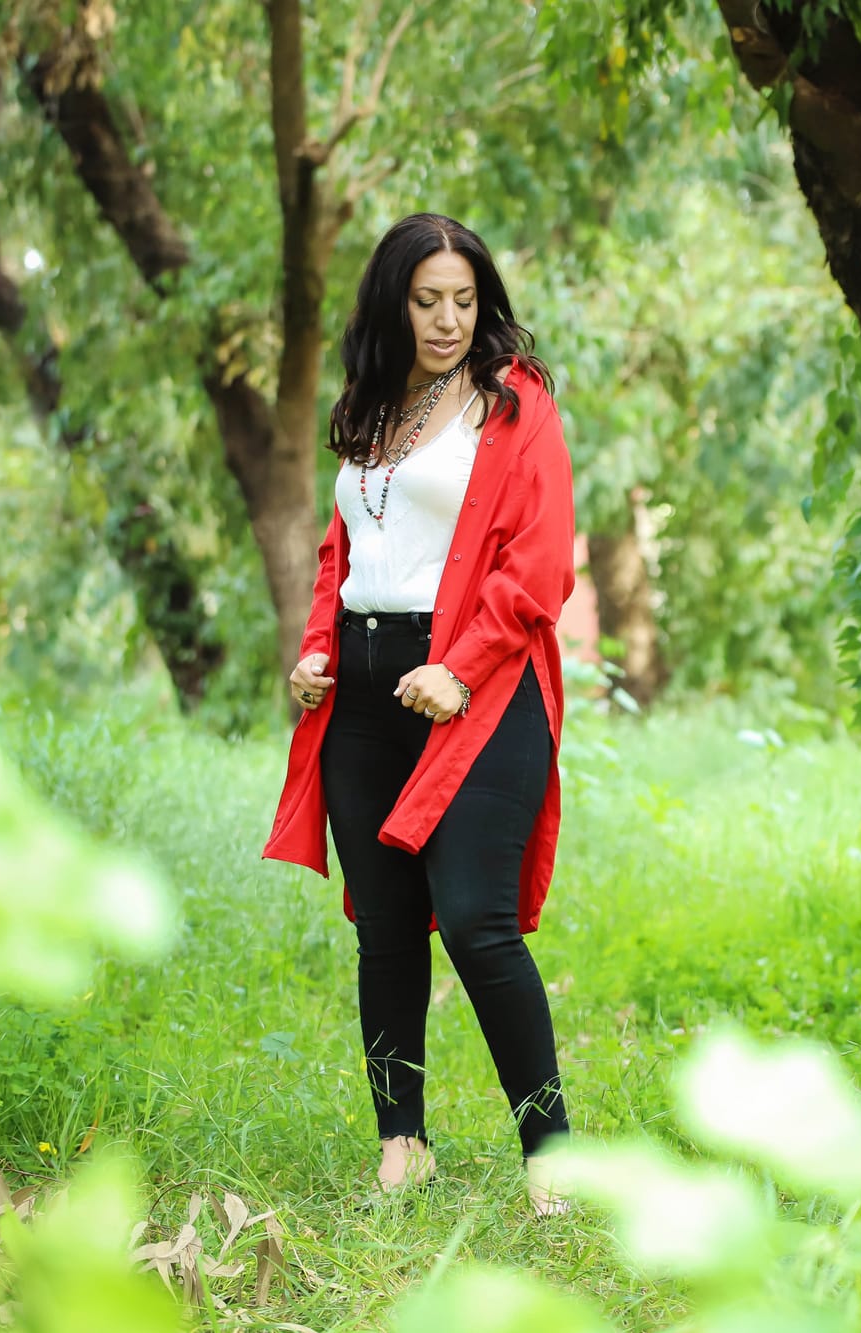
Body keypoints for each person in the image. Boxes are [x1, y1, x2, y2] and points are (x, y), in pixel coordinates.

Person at [262, 213, 575, 1215]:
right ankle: (402, 1142)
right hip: (361, 695)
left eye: (464, 300)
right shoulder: (370, 406)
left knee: (478, 922)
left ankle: (550, 1152)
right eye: (427, 300)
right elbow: (344, 547)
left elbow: (538, 565)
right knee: (387, 927)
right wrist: (319, 644)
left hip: (476, 687)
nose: (447, 321)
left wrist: (462, 669)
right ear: (391, 304)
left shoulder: (511, 403)